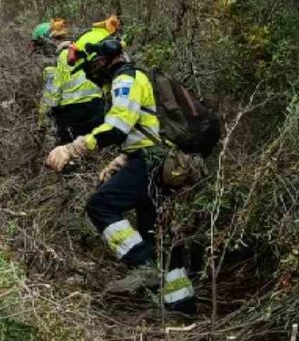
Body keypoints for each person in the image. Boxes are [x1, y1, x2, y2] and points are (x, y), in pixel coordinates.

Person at [43, 36, 196, 314]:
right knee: (156, 233)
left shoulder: (125, 79)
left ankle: (144, 266)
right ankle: (181, 307)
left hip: (151, 161)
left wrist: (72, 148)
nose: (90, 74)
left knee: (100, 205)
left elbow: (117, 128)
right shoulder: (133, 77)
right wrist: (121, 160)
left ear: (103, 59)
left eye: (90, 67)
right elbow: (145, 128)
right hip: (158, 159)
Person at [38, 16, 121, 145]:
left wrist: (42, 124)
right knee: (95, 147)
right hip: (96, 109)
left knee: (69, 152)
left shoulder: (60, 59)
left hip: (70, 114)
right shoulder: (88, 51)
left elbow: (52, 97)